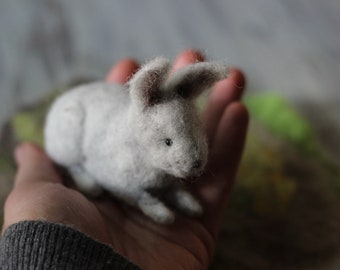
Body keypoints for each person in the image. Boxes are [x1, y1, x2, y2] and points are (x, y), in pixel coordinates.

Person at [0, 50, 249, 269]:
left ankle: (176, 195)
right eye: (168, 143)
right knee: (74, 145)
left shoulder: (169, 121)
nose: (195, 160)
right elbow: (113, 177)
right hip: (79, 119)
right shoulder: (120, 153)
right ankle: (78, 168)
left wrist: (176, 189)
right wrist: (145, 202)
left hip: (109, 102)